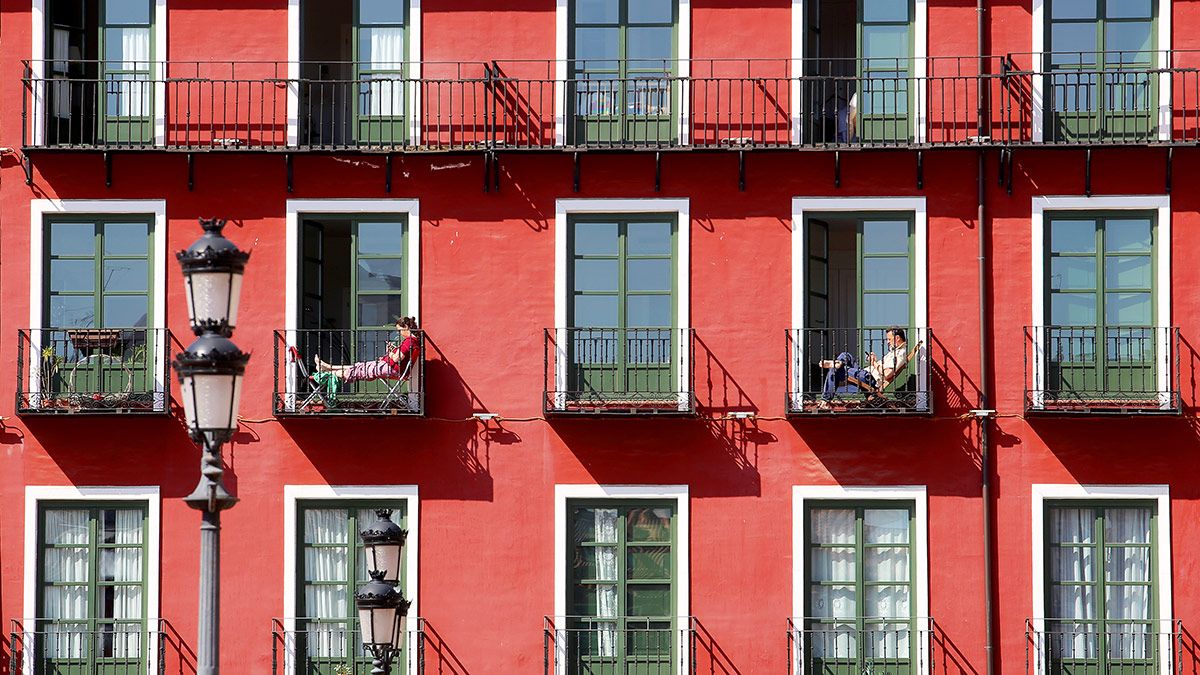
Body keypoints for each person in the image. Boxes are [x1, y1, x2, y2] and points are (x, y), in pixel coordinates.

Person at [818, 326, 908, 408]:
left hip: (870, 379)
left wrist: (873, 362)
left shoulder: (900, 353)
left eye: (889, 339)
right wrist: (874, 362)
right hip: (865, 374)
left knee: (836, 370)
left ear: (897, 338)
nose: (888, 342)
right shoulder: (894, 352)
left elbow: (888, 374)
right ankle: (838, 362)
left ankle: (825, 399)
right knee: (846, 355)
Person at [314, 316, 420, 384]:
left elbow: (397, 358)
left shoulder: (409, 341)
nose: (399, 333)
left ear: (406, 327)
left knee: (357, 371)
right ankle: (328, 367)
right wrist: (392, 351)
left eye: (400, 330)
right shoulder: (413, 342)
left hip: (390, 368)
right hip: (388, 366)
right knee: (358, 366)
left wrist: (392, 352)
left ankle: (327, 373)